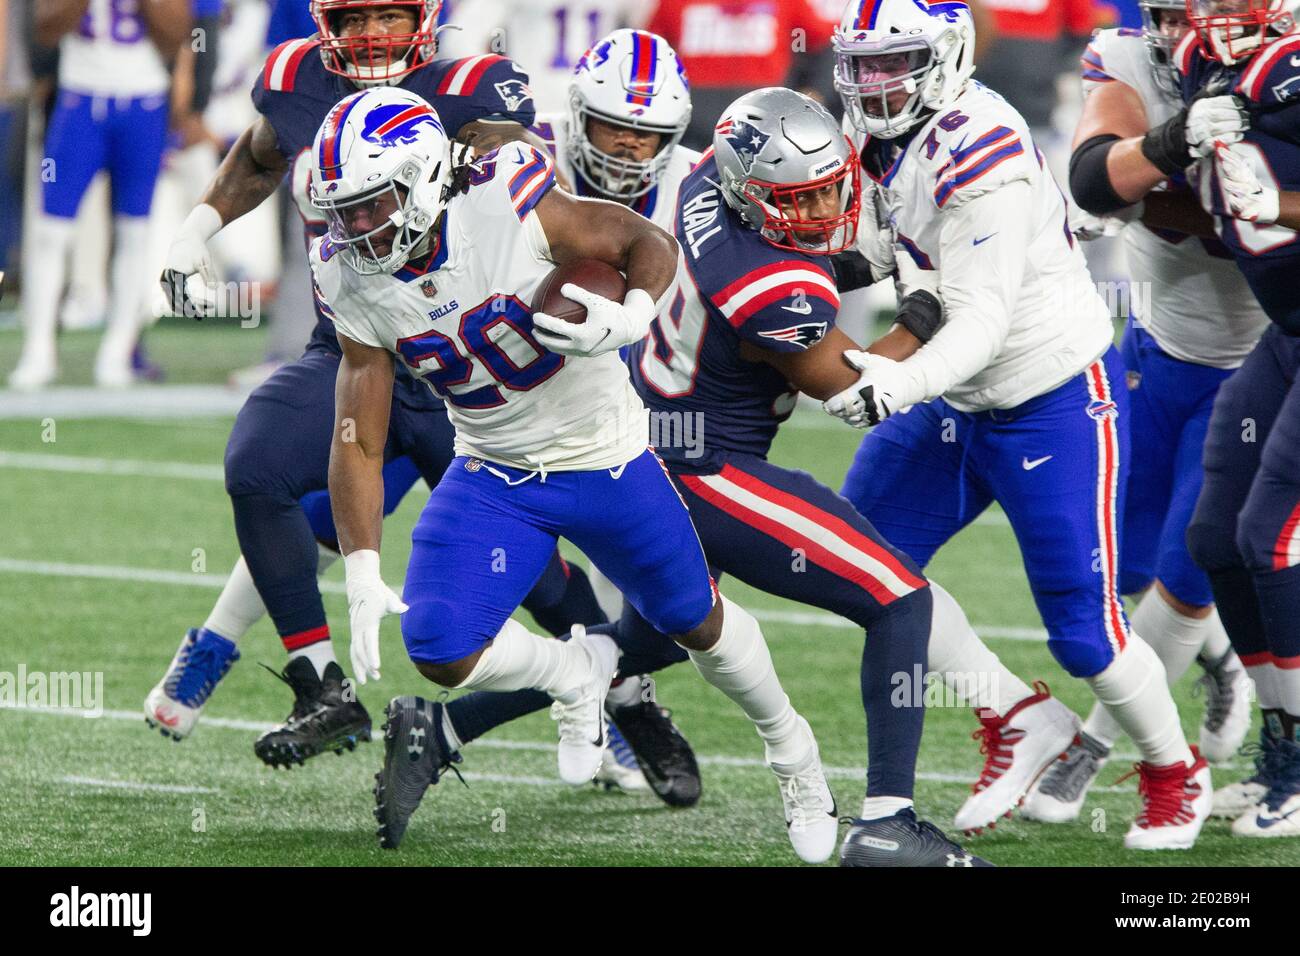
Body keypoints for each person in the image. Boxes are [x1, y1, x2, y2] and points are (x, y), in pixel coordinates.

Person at [308, 86, 840, 864]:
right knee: (439, 644)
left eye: (371, 205)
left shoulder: (505, 194)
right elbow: (358, 434)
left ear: (424, 178)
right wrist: (359, 565)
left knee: (699, 623)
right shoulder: (348, 275)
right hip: (494, 469)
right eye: (343, 210)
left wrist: (631, 313)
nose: (356, 228)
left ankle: (796, 756)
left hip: (605, 457)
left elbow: (642, 241)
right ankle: (577, 669)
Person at [144, 0, 636, 777]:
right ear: (324, 23)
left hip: (465, 373)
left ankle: (629, 700)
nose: (373, 36)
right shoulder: (296, 78)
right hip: (357, 349)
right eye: (356, 18)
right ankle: (318, 687)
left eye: (389, 16)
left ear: (426, 16)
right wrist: (195, 228)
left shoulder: (475, 88)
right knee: (261, 468)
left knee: (535, 574)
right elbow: (261, 156)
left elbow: (534, 196)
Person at [825, 0, 1212, 849]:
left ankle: (1175, 772)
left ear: (950, 55)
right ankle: (1017, 716)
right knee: (860, 565)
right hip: (957, 398)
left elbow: (981, 319)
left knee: (1084, 630)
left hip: (1051, 395)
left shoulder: (983, 143)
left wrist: (896, 382)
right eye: (864, 62)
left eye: (897, 62)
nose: (875, 82)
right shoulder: (874, 135)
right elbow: (883, 248)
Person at [1019, 0, 1260, 823]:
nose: (1220, 21)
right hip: (1157, 350)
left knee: (1191, 570)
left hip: (1264, 365)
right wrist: (1168, 145)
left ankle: (1095, 744)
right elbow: (1091, 178)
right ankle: (1224, 659)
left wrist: (1164, 193)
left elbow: (1235, 216)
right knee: (1121, 567)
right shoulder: (1132, 59)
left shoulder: (1287, 73)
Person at [1174, 0, 1300, 838]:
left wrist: (1283, 206)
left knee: (1271, 536)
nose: (1219, 13)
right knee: (1216, 536)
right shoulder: (1199, 63)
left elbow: (1268, 204)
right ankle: (1282, 745)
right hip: (1287, 330)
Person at [11, 0, 190, 389]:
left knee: (135, 231)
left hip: (144, 100)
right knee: (50, 231)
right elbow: (45, 28)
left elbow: (177, 32)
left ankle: (117, 354)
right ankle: (39, 350)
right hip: (78, 98)